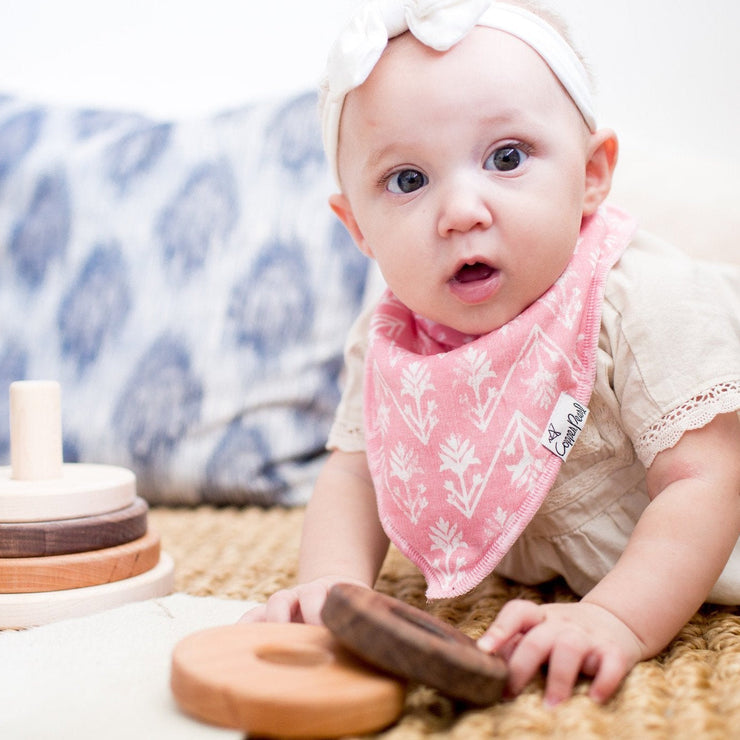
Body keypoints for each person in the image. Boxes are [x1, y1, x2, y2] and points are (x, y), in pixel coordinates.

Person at [242, 0, 740, 706]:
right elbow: (357, 475)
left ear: (593, 173)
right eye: (407, 180)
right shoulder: (391, 343)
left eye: (507, 159)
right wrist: (334, 590)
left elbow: (706, 480)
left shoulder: (644, 303)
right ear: (357, 226)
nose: (462, 209)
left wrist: (614, 618)